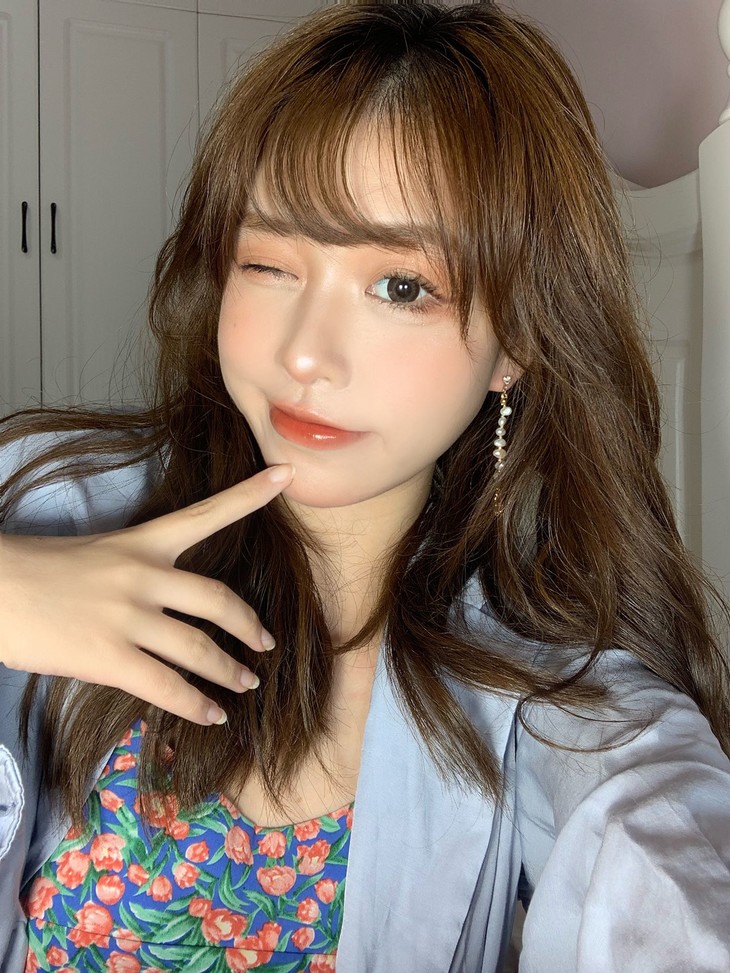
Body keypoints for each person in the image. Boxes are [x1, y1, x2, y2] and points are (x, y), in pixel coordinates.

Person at [1, 1, 729, 970]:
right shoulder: (46, 504)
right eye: (269, 263)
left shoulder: (560, 699)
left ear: (516, 339)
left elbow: (665, 862)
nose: (305, 354)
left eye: (401, 286)